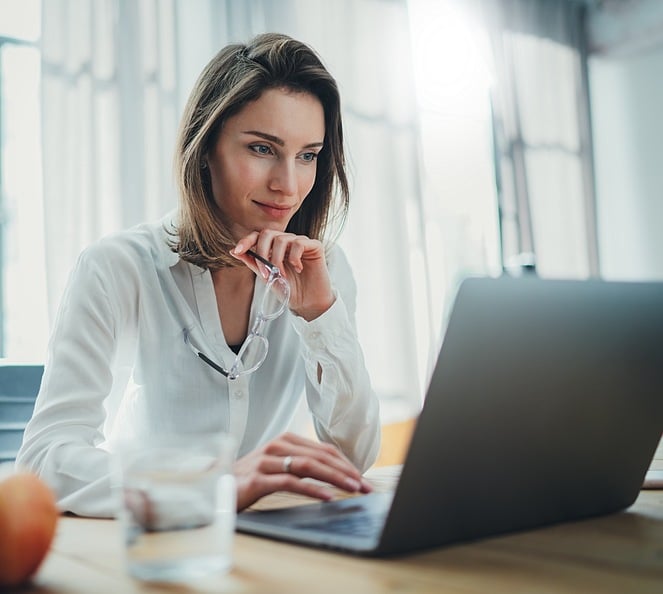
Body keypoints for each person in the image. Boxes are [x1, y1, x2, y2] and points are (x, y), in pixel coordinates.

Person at [17, 32, 381, 517]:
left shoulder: (322, 271)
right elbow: (44, 460)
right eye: (261, 148)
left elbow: (353, 458)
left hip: (271, 544)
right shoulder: (116, 267)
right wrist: (211, 486)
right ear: (205, 146)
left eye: (308, 155)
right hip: (153, 543)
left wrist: (319, 316)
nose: (288, 185)